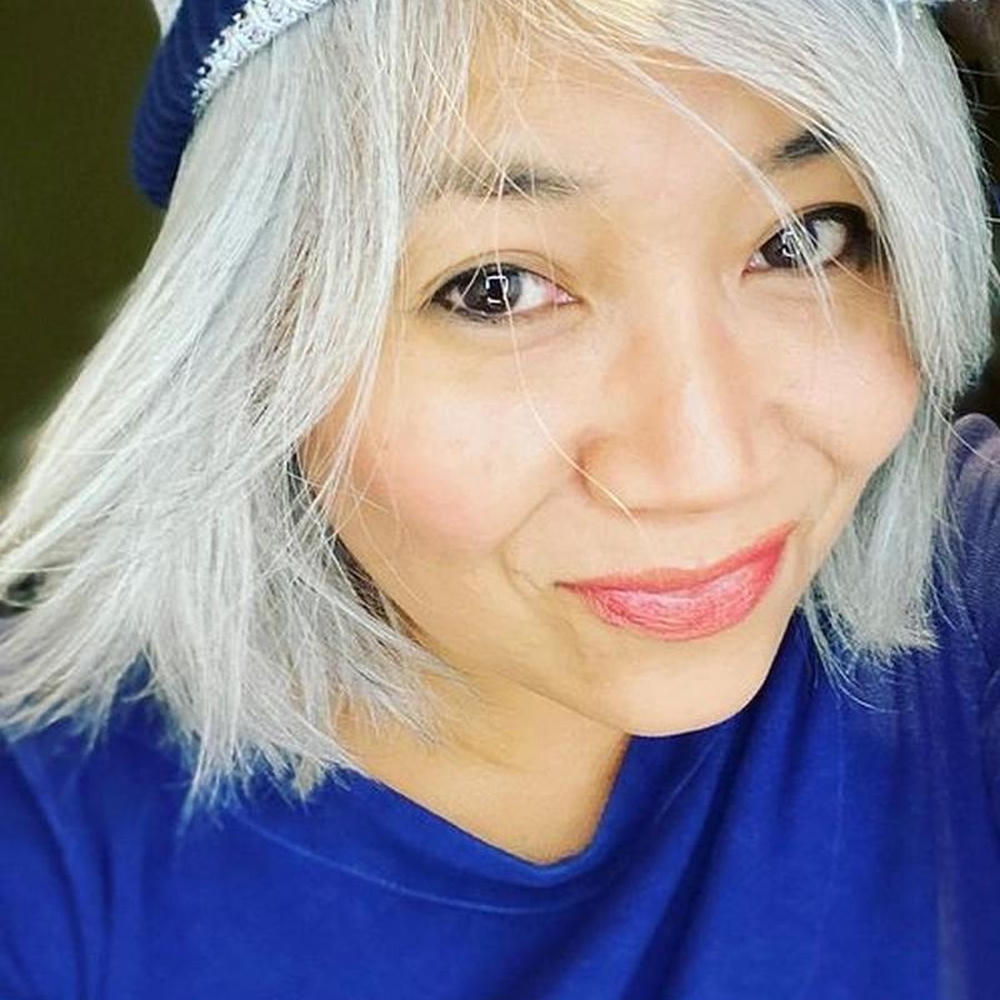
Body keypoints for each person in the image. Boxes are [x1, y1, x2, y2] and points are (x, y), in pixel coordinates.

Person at [1, 0, 998, 996]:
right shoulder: (45, 860)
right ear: (257, 342)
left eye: (802, 239)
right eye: (496, 288)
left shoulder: (969, 603)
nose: (707, 466)